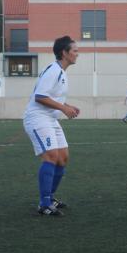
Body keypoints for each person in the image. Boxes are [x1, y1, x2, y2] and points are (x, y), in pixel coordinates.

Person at [23, 35, 80, 216]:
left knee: (63, 157)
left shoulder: (61, 72)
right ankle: (44, 203)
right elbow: (40, 96)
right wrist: (63, 108)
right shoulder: (54, 70)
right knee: (51, 156)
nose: (77, 54)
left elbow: (51, 97)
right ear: (64, 53)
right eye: (75, 51)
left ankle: (50, 197)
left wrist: (67, 106)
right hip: (38, 118)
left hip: (50, 118)